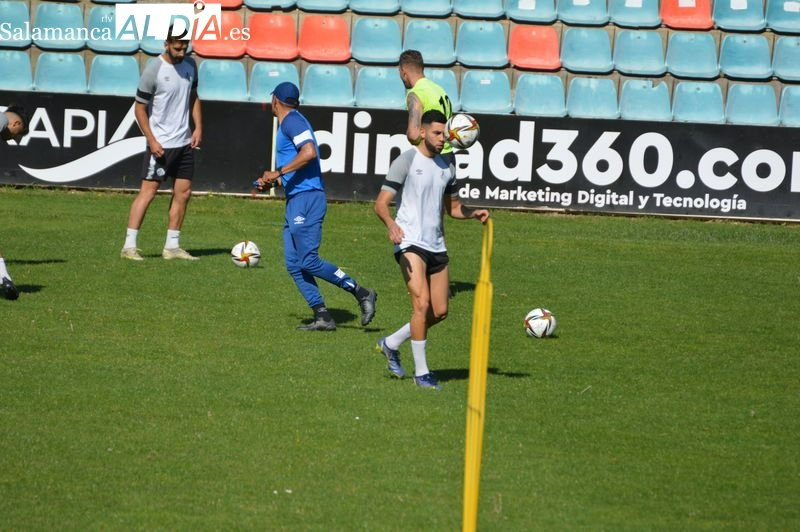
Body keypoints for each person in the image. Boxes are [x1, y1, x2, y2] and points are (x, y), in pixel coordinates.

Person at [374, 110, 489, 390]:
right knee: (421, 304)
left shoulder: (448, 166)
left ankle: (391, 343)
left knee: (439, 311)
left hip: (436, 245)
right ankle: (422, 373)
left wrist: (473, 213)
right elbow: (380, 203)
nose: (442, 138)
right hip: (409, 242)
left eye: (444, 134)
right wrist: (391, 224)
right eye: (437, 133)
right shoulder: (406, 160)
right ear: (422, 132)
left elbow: (454, 208)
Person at [256, 82, 377, 331]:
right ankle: (322, 316)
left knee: (308, 261)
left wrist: (278, 171)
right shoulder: (293, 121)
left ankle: (362, 292)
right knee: (294, 263)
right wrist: (273, 180)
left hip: (307, 199)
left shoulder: (291, 121)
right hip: (297, 199)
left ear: (275, 100)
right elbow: (301, 162)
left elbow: (309, 152)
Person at [120, 29, 202, 261]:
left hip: (184, 142)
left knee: (183, 193)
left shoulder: (191, 65)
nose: (181, 52)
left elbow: (194, 96)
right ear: (166, 44)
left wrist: (198, 127)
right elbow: (139, 107)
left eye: (184, 47)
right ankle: (129, 246)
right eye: (177, 47)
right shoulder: (154, 69)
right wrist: (151, 140)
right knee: (148, 192)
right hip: (161, 145)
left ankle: (172, 247)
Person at [398, 50, 453, 160]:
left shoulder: (416, 93)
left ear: (403, 72)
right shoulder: (439, 89)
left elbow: (414, 136)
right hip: (448, 155)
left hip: (432, 157)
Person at [1, 104, 29, 300]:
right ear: (16, 123)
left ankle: (5, 277)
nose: (11, 139)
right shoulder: (1, 121)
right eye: (15, 135)